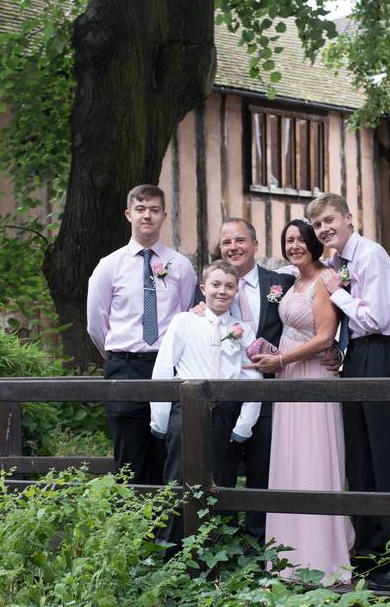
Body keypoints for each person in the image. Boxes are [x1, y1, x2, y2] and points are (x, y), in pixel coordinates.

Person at [309, 192, 390, 592]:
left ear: (349, 218)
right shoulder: (335, 264)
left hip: (381, 354)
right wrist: (339, 350)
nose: (324, 229)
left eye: (329, 220)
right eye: (319, 224)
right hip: (356, 356)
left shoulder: (370, 255)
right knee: (360, 460)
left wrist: (336, 290)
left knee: (385, 456)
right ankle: (375, 554)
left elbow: (375, 318)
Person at [248, 219, 354, 585]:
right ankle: (289, 556)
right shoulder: (291, 282)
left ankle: (320, 555)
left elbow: (326, 337)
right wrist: (273, 352)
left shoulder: (325, 280)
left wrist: (281, 360)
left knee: (313, 457)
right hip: (288, 372)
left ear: (313, 242)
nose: (294, 245)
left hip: (310, 376)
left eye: (300, 239)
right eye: (288, 240)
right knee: (290, 458)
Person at [87, 184, 197, 485]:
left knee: (168, 448)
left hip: (168, 366)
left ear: (164, 215)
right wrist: (119, 356)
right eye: (140, 209)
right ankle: (132, 526)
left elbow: (186, 314)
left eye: (153, 210)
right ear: (128, 214)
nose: (147, 215)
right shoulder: (108, 266)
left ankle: (169, 527)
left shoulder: (182, 267)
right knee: (129, 451)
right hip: (124, 366)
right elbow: (97, 324)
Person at [193, 218, 295, 543]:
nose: (233, 247)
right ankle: (220, 543)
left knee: (261, 470)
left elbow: (305, 320)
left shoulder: (282, 283)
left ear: (254, 245)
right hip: (223, 398)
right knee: (220, 472)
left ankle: (259, 543)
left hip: (268, 392)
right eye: (226, 243)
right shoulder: (213, 289)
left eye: (239, 240)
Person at [151, 260, 263, 546]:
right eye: (215, 285)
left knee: (220, 477)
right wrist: (160, 419)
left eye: (229, 286)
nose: (222, 292)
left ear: (237, 291)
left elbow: (253, 378)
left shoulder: (243, 330)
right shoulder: (185, 321)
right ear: (203, 288)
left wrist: (243, 426)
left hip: (225, 411)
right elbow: (165, 368)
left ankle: (216, 547)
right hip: (185, 409)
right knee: (179, 476)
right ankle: (173, 549)